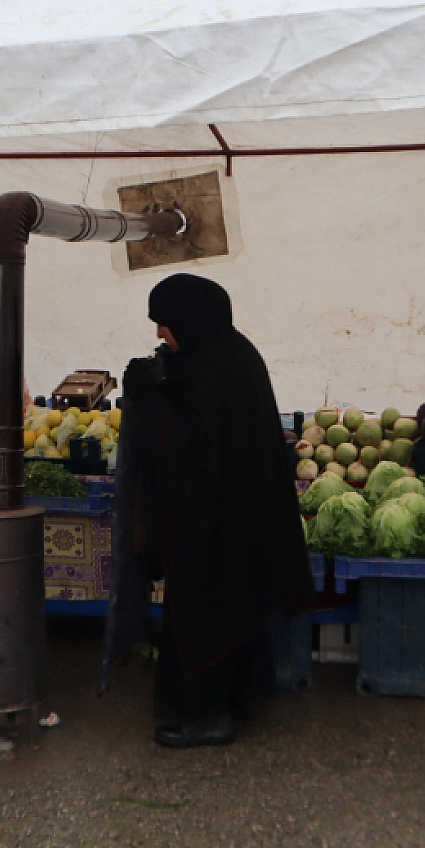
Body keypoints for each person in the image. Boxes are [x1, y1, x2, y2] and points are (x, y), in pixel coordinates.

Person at [120, 274, 313, 748]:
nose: (161, 334)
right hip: (236, 515)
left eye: (165, 323)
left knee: (209, 609)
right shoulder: (228, 354)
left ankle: (207, 716)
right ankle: (240, 700)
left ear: (189, 317)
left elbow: (190, 446)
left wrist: (151, 397)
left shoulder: (214, 367)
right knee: (237, 605)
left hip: (215, 524)